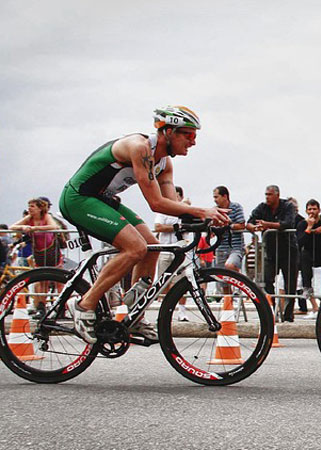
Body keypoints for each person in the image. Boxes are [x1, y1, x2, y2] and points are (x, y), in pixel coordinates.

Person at [58, 105, 229, 344]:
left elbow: (171, 205)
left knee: (152, 247)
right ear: (168, 131)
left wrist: (204, 219)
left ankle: (133, 314)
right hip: (78, 198)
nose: (193, 141)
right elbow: (156, 203)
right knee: (135, 248)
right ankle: (84, 305)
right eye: (188, 134)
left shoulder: (165, 163)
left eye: (195, 136)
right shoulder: (139, 148)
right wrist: (202, 210)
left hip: (102, 199)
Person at [247, 185, 298, 322]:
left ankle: (288, 315)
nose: (267, 197)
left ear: (277, 195)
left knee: (290, 284)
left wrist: (267, 224)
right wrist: (255, 227)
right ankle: (273, 308)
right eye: (266, 194)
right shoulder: (262, 207)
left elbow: (288, 224)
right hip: (270, 250)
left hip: (288, 250)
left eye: (269, 194)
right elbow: (249, 222)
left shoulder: (287, 206)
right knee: (266, 279)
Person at [10, 198, 64, 318]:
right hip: (39, 252)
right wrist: (23, 227)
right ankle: (41, 306)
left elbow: (53, 226)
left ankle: (62, 306)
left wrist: (35, 228)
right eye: (29, 206)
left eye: (33, 206)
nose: (30, 208)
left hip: (51, 252)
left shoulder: (46, 216)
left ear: (40, 208)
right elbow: (12, 227)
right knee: (41, 280)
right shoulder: (29, 218)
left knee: (58, 279)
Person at [154, 185, 190, 321]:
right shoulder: (162, 211)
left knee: (180, 283)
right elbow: (158, 227)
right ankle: (163, 313)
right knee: (163, 282)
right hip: (165, 249)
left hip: (181, 251)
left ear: (180, 196)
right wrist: (176, 228)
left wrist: (173, 228)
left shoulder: (185, 211)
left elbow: (187, 227)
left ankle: (182, 312)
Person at [296, 199, 321, 319]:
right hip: (309, 253)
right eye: (309, 209)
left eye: (314, 209)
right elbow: (300, 241)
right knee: (306, 276)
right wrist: (309, 228)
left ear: (319, 210)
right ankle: (314, 307)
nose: (312, 211)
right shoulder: (302, 224)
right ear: (306, 211)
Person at [213, 186, 245, 272]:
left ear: (225, 196)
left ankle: (242, 281)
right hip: (221, 247)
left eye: (216, 197)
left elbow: (241, 225)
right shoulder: (215, 210)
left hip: (235, 247)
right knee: (222, 277)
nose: (215, 200)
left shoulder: (236, 207)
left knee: (230, 265)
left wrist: (228, 225)